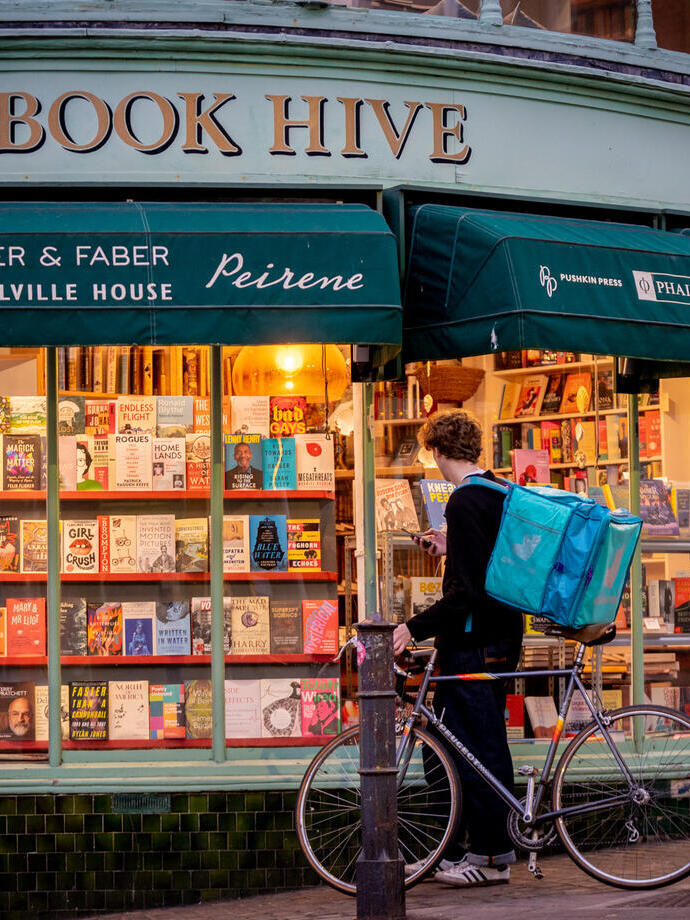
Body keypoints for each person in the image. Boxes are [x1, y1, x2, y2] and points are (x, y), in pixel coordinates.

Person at [393, 409, 523, 888]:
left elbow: (466, 593)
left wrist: (412, 627)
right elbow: (489, 562)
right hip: (500, 636)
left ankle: (492, 855)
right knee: (462, 744)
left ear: (438, 452)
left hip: (474, 641)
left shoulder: (464, 500)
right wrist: (450, 546)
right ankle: (462, 849)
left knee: (477, 747)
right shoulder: (495, 490)